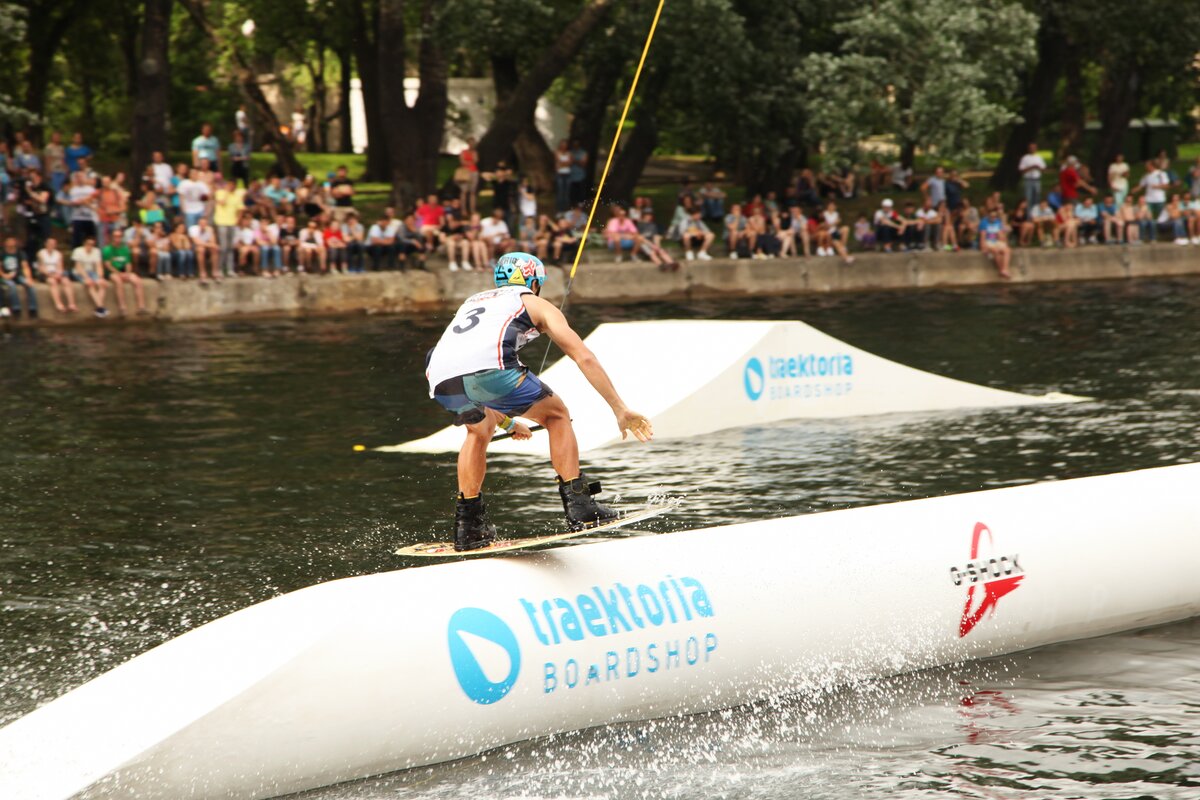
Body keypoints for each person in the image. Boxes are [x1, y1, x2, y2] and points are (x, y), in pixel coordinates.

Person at [424, 252, 653, 551]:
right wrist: (619, 408)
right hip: (488, 371)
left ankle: (468, 527)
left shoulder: (473, 302)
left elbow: (469, 373)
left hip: (440, 378)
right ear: (534, 282)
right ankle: (580, 507)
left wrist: (507, 421)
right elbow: (583, 355)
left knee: (478, 431)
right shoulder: (535, 303)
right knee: (556, 415)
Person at [103, 229, 147, 314]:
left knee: (137, 281)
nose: (117, 238)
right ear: (112, 237)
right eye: (115, 236)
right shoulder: (107, 249)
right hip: (113, 272)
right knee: (118, 282)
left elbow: (128, 263)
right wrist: (119, 273)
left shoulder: (125, 249)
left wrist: (127, 273)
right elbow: (107, 265)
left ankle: (141, 307)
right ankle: (122, 307)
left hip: (124, 271)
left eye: (119, 236)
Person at [69, 237, 110, 316]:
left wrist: (100, 278)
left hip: (92, 272)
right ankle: (100, 307)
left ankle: (99, 307)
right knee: (90, 284)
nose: (90, 246)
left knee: (102, 284)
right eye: (88, 244)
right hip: (79, 272)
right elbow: (78, 267)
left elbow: (98, 266)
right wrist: (86, 278)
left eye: (92, 244)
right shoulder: (78, 251)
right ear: (84, 244)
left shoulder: (96, 251)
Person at [37, 237, 77, 314]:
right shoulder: (41, 253)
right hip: (45, 273)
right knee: (52, 282)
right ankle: (58, 304)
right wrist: (50, 275)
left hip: (56, 272)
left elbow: (60, 266)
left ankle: (71, 304)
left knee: (66, 281)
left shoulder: (58, 254)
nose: (51, 245)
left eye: (53, 244)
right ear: (46, 244)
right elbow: (41, 267)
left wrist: (58, 274)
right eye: (50, 243)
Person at [1, 237, 38, 319]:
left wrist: (29, 278)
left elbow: (25, 267)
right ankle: (16, 308)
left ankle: (33, 308)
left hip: (18, 275)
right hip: (6, 276)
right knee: (12, 286)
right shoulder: (2, 253)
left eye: (12, 242)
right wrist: (4, 275)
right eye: (9, 242)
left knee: (31, 286)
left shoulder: (20, 253)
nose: (11, 244)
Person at [979, 209, 1011, 279]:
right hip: (988, 242)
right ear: (988, 215)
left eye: (995, 216)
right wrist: (983, 247)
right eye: (992, 216)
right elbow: (982, 236)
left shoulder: (998, 222)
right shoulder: (984, 222)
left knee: (1007, 250)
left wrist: (1004, 241)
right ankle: (1001, 270)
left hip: (996, 241)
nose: (993, 218)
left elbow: (1001, 236)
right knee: (996, 251)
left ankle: (1004, 269)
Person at [1018, 142, 1046, 209]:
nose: (1032, 149)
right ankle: (1029, 215)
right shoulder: (1025, 158)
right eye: (1031, 148)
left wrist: (1038, 167)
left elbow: (1043, 169)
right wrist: (1031, 167)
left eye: (1034, 148)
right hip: (1028, 180)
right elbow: (1021, 170)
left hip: (1037, 180)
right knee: (1028, 198)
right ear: (1028, 149)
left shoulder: (1039, 157)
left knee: (1037, 197)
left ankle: (1035, 213)